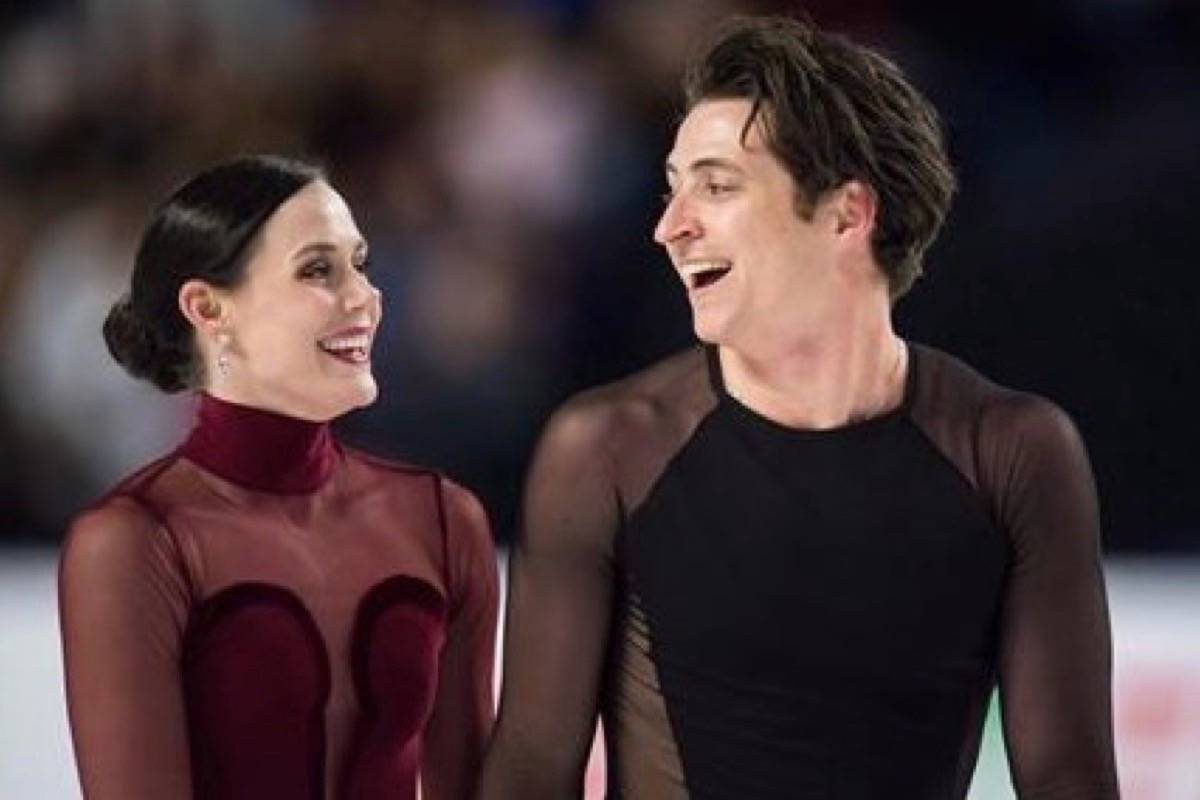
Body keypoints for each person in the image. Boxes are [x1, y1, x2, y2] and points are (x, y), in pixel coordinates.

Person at [479, 15, 1118, 799]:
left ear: (848, 214)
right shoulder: (610, 449)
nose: (670, 228)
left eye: (716, 186)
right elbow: (531, 773)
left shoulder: (1011, 452)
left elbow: (1070, 780)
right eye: (672, 188)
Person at [58, 155, 498, 800]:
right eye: (319, 270)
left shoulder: (442, 518)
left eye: (361, 263)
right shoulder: (136, 541)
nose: (366, 297)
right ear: (208, 308)